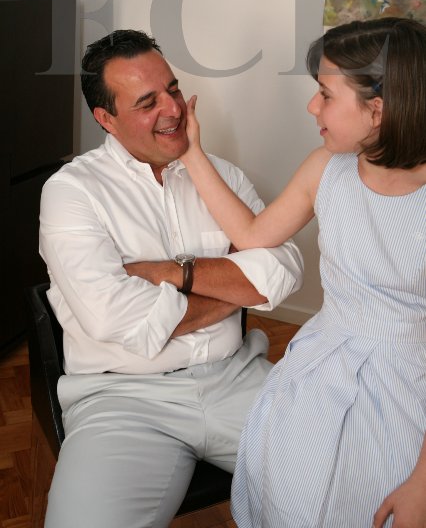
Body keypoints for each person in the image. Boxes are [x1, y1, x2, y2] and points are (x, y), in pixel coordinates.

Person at [39, 29, 303, 528]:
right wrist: (237, 288)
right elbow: (115, 317)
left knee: (362, 485)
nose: (174, 109)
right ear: (106, 119)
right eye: (147, 102)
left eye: (173, 89)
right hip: (122, 400)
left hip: (238, 378)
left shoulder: (221, 175)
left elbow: (284, 269)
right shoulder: (71, 192)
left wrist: (173, 273)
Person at [180, 17, 426, 528]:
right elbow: (251, 234)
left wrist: (422, 484)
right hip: (318, 369)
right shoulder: (325, 169)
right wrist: (191, 152)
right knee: (291, 501)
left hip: (409, 389)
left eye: (326, 95)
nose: (313, 107)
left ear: (378, 109)